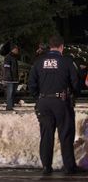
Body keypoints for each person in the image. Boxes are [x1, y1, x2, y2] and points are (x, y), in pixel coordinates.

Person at [28, 35, 80, 175]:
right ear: (61, 47)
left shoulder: (38, 62)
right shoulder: (67, 62)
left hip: (43, 102)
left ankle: (46, 166)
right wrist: (74, 94)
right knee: (66, 134)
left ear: (50, 46)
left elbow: (31, 84)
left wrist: (39, 97)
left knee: (46, 135)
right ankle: (69, 167)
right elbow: (76, 83)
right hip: (61, 102)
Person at [3, 44, 19, 110]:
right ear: (13, 49)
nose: (18, 50)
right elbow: (7, 68)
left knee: (13, 93)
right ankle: (9, 107)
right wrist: (9, 77)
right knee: (10, 93)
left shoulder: (14, 57)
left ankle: (11, 105)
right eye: (17, 49)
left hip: (14, 78)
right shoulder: (8, 57)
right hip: (10, 79)